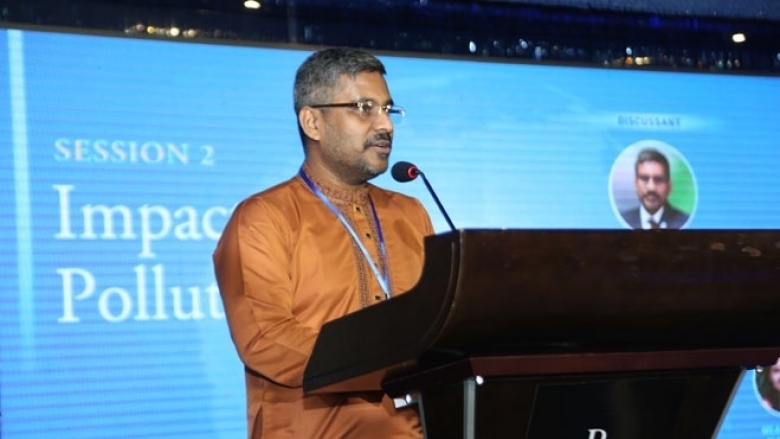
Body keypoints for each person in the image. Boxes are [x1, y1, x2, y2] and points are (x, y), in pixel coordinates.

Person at [213, 47, 433, 439]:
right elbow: (266, 339)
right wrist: (393, 362)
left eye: (388, 109)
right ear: (312, 122)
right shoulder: (264, 217)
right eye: (365, 108)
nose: (386, 125)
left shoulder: (410, 212)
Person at [620, 148, 689, 229]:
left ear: (669, 186)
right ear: (636, 184)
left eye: (659, 180)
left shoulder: (684, 222)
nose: (651, 187)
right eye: (644, 179)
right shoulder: (623, 220)